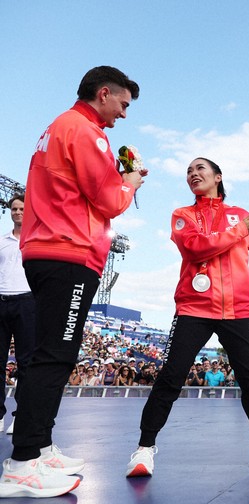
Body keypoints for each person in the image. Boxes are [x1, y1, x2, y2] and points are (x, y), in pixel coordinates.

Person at [126, 157, 249, 478]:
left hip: (237, 309)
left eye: (200, 169)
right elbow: (194, 248)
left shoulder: (241, 215)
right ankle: (145, 448)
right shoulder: (183, 215)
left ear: (218, 177)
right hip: (194, 308)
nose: (193, 174)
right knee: (171, 377)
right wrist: (241, 231)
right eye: (189, 171)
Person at [0, 66, 145, 499]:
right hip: (68, 252)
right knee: (54, 357)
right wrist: (131, 180)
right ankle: (23, 462)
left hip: (47, 249)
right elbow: (110, 201)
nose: (123, 115)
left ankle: (40, 447)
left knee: (50, 355)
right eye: (123, 104)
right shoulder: (86, 132)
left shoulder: (59, 127)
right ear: (104, 93)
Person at [0, 195, 36, 436]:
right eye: (14, 208)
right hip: (1, 301)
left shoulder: (36, 239)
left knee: (25, 363)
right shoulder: (1, 241)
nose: (17, 212)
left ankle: (20, 416)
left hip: (27, 301)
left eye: (22, 208)